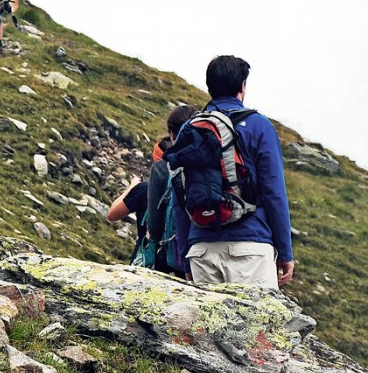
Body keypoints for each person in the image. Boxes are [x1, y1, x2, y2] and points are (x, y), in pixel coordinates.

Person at [173, 56, 294, 290]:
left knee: (208, 316)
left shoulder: (189, 128)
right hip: (251, 248)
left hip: (202, 250)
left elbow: (179, 196)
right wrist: (285, 252)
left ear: (209, 86)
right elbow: (274, 192)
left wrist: (186, 257)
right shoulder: (259, 126)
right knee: (258, 315)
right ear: (242, 86)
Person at [108, 105, 195, 274]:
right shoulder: (200, 171)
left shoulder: (144, 187)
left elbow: (112, 214)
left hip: (159, 260)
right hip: (193, 255)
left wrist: (132, 186)